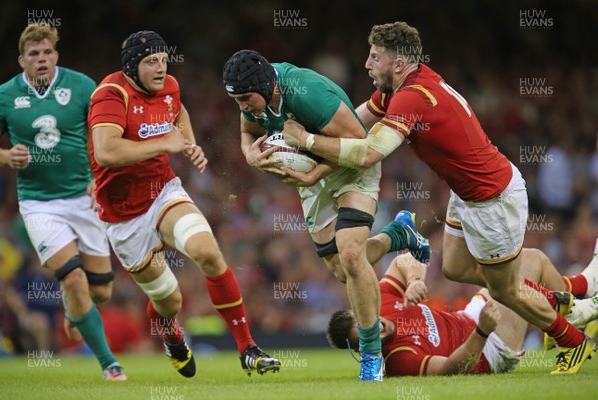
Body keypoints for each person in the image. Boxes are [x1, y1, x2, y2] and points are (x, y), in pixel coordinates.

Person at [283, 21, 596, 374]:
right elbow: (355, 125)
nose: (367, 65)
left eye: (374, 58)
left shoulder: (411, 97)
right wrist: (309, 155)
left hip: (491, 199)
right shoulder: (400, 87)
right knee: (455, 267)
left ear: (398, 63)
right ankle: (564, 297)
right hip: (467, 193)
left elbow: (369, 152)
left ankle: (574, 341)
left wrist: (306, 143)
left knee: (506, 291)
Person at [222, 49, 430, 381]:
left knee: (350, 254)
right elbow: (248, 133)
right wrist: (249, 155)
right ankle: (398, 235)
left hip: (351, 165)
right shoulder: (252, 95)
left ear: (266, 87)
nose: (243, 107)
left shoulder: (308, 94)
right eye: (237, 102)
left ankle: (371, 355)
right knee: (342, 270)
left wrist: (308, 152)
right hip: (311, 174)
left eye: (246, 99)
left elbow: (361, 144)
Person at [88, 31, 279, 378]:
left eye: (163, 60)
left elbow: (178, 111)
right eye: (151, 62)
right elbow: (107, 151)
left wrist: (188, 143)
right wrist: (167, 142)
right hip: (123, 217)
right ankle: (171, 334)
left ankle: (247, 348)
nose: (160, 69)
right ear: (131, 65)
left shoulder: (169, 86)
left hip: (162, 192)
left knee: (208, 253)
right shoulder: (110, 95)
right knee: (169, 302)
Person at [0, 24, 125, 381]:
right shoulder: (5, 95)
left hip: (83, 199)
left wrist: (97, 178)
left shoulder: (83, 86)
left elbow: (109, 132)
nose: (42, 59)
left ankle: (74, 311)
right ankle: (109, 365)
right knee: (73, 278)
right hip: (39, 204)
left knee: (100, 289)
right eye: (34, 54)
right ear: (21, 59)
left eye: (47, 52)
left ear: (56, 54)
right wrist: (6, 156)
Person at [327, 251, 598, 376]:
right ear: (365, 349)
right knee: (506, 285)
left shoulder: (381, 304)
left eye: (370, 324)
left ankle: (578, 296)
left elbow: (405, 259)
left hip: (471, 314)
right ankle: (575, 318)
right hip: (491, 348)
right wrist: (482, 331)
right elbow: (450, 369)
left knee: (530, 259)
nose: (380, 328)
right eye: (372, 336)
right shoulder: (398, 360)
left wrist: (413, 281)